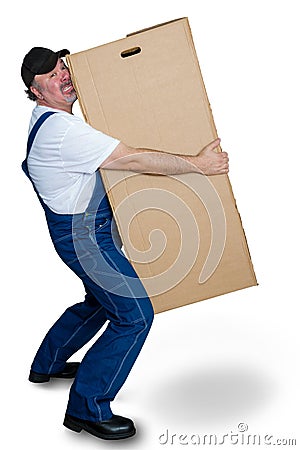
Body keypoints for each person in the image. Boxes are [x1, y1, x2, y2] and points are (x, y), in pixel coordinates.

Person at [21, 47, 229, 441]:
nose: (62, 76)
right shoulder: (63, 131)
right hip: (84, 238)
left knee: (100, 301)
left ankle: (46, 364)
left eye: (63, 67)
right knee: (135, 316)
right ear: (36, 91)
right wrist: (199, 166)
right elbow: (131, 159)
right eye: (51, 76)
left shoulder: (47, 119)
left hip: (80, 231)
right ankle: (88, 407)